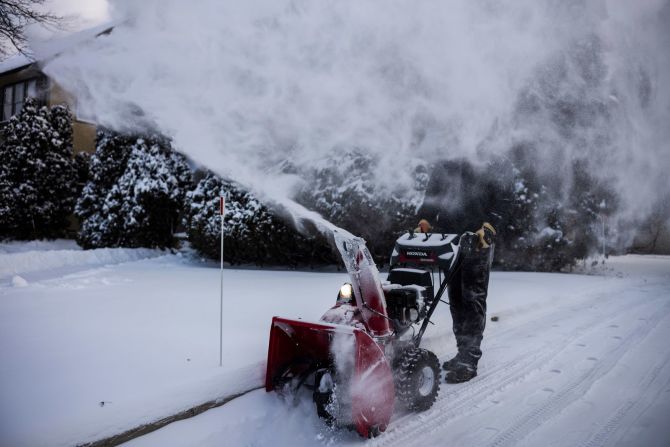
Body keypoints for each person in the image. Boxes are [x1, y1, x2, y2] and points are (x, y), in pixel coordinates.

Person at [416, 158, 509, 383]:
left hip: (478, 239)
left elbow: (504, 199)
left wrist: (489, 226)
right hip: (449, 237)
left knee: (473, 296)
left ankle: (470, 358)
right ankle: (462, 351)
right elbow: (433, 194)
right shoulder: (445, 160)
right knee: (455, 296)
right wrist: (425, 218)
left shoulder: (490, 157)